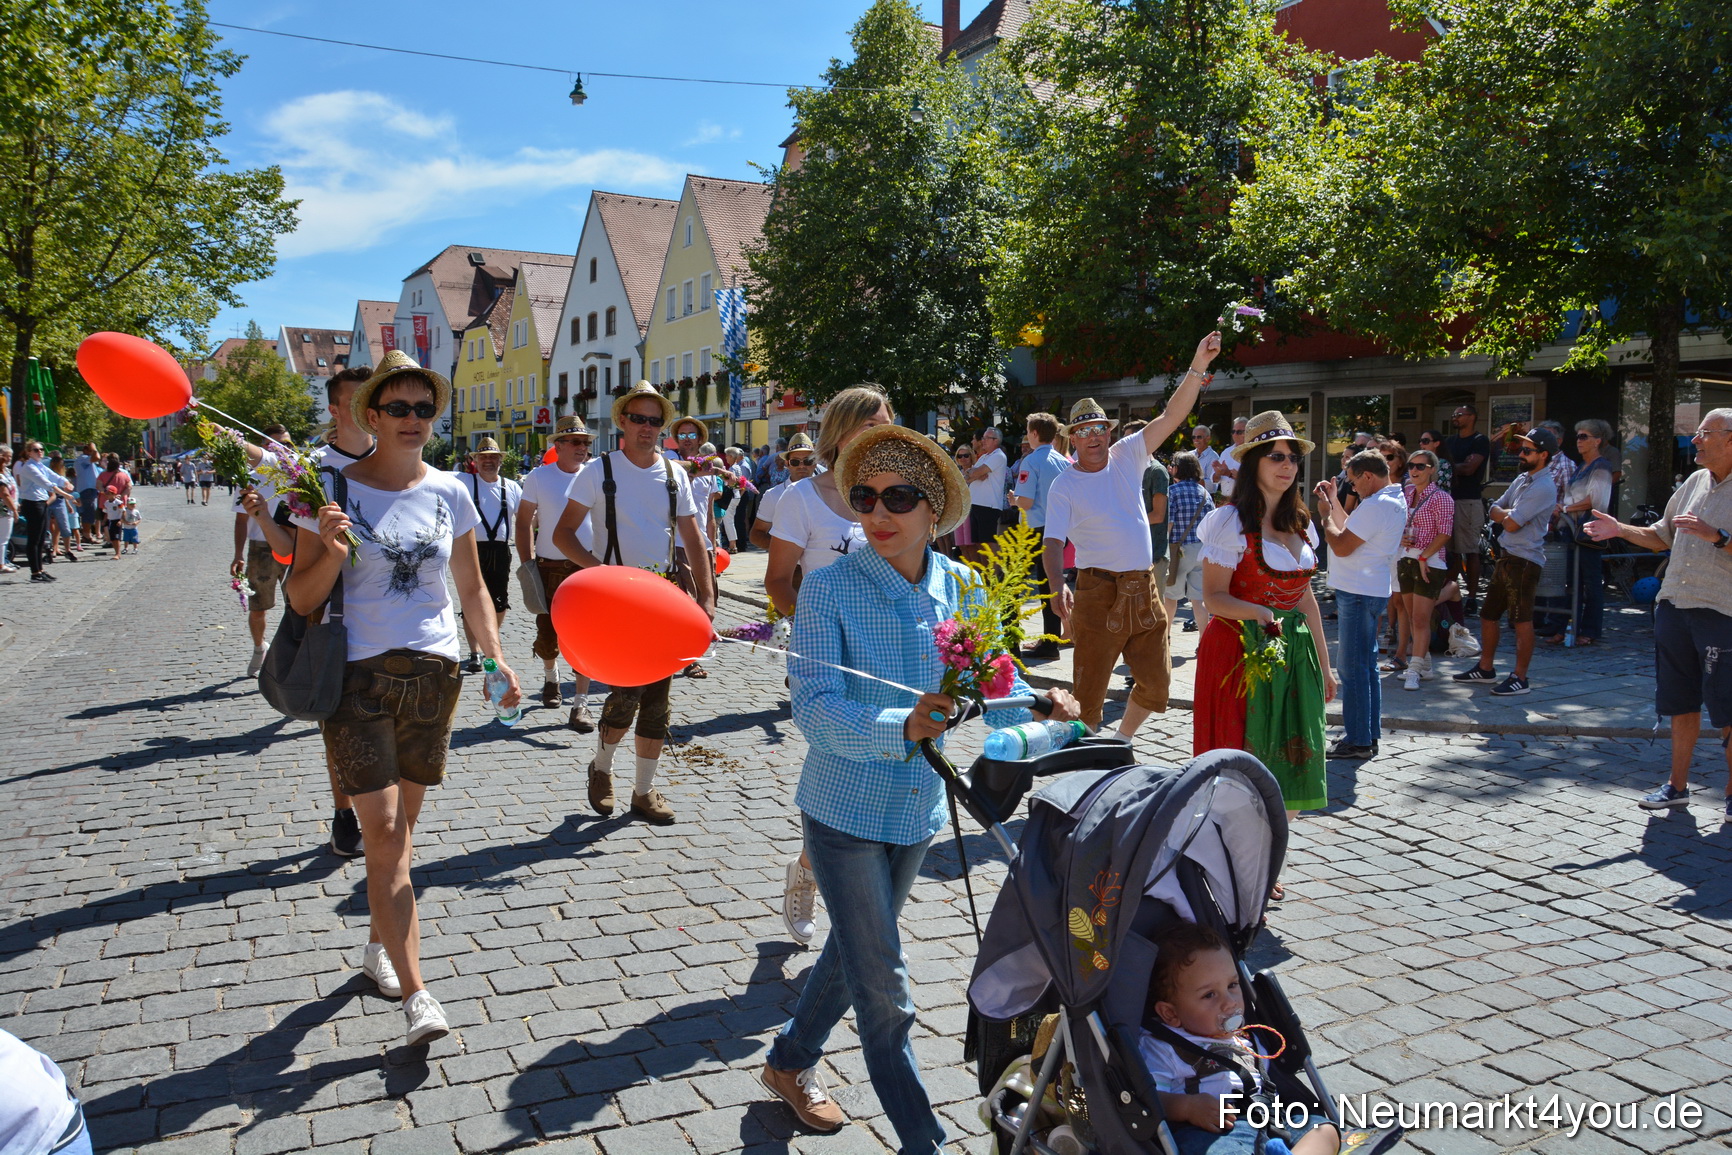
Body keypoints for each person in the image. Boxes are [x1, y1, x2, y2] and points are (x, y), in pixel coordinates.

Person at [757, 422, 1080, 1148]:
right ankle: (923, 1139)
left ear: (933, 507)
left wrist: (1042, 702)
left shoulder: (962, 584)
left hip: (918, 810)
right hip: (842, 811)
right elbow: (812, 703)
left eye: (898, 496)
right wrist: (904, 723)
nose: (878, 513)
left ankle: (786, 1061)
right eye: (864, 496)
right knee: (885, 988)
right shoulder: (830, 588)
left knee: (854, 952)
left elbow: (990, 676)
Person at [285, 349, 520, 1047]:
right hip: (356, 679)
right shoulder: (331, 491)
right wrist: (326, 548)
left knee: (402, 836)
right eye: (399, 408)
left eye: (424, 408)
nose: (414, 420)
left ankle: (378, 945)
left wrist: (496, 655)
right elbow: (300, 597)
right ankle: (418, 995)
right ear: (373, 415)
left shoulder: (450, 489)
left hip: (434, 678)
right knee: (383, 834)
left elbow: (472, 585)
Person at [1044, 332, 1222, 739]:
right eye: (1084, 431)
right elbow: (1053, 542)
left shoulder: (1128, 453)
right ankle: (1082, 759)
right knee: (1087, 698)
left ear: (1108, 432)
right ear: (1073, 438)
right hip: (1096, 592)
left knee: (1158, 686)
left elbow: (1171, 417)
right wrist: (1058, 587)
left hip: (1144, 588)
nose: (1094, 437)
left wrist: (1198, 366)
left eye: (1099, 429)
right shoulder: (1064, 485)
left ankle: (1122, 740)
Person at [555, 382, 715, 825]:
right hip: (619, 598)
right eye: (639, 419)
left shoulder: (674, 474)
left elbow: (692, 536)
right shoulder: (598, 470)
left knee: (659, 700)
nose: (647, 428)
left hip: (663, 596)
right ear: (622, 421)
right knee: (626, 693)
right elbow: (562, 535)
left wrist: (706, 595)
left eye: (654, 420)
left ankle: (643, 791)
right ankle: (602, 768)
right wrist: (601, 576)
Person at [765, 388, 887, 944]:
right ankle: (812, 876)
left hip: (887, 656)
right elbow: (776, 580)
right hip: (826, 661)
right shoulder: (802, 499)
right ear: (840, 435)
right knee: (838, 769)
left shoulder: (896, 495)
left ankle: (841, 879)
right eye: (869, 427)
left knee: (880, 771)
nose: (880, 436)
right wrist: (818, 636)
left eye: (887, 425)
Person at [1586, 408, 1732, 824]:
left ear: (1731, 439)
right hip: (1674, 606)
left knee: (1728, 709)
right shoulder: (1694, 482)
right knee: (1679, 702)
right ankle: (1677, 786)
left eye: (1705, 433)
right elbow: (1661, 536)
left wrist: (1717, 537)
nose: (1697, 440)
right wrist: (1620, 530)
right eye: (1698, 432)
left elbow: (1719, 539)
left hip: (1723, 612)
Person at [1193, 411, 1335, 820]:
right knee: (1240, 756)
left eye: (1292, 457)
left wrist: (1326, 668)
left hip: (1293, 655)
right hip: (1238, 652)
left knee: (1294, 757)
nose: (1287, 465)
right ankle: (1231, 861)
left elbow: (1307, 601)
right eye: (1276, 456)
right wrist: (1260, 613)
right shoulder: (1229, 523)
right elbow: (1214, 598)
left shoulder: (1301, 523)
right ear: (1252, 462)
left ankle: (1269, 862)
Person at [1137, 923, 1342, 1155]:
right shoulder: (1163, 1046)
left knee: (1323, 1129)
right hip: (1218, 1130)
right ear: (1171, 1014)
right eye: (1209, 995)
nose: (1230, 1002)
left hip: (1272, 1116)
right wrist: (1187, 1108)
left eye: (1233, 985)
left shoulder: (1246, 1035)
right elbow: (1150, 1100)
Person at [1451, 426, 1560, 697]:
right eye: (1520, 449)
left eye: (1527, 450)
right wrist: (1506, 514)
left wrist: (1506, 514)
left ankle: (1520, 678)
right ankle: (1485, 669)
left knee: (1521, 620)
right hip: (1507, 557)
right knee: (1488, 615)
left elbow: (1510, 523)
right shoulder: (1524, 479)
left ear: (1544, 454)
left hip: (1524, 561)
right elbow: (1494, 506)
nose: (1520, 453)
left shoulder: (1544, 486)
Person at [1315, 450, 1407, 759]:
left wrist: (1325, 515)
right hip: (1370, 588)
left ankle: (1358, 739)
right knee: (1366, 667)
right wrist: (1335, 503)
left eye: (1354, 481)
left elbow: (1340, 544)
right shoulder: (1389, 500)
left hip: (1357, 591)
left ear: (1368, 475)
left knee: (1352, 669)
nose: (1353, 488)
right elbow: (1352, 528)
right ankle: (1367, 734)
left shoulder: (1378, 505)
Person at [517, 418, 597, 729]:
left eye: (586, 443)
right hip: (549, 566)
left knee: (584, 637)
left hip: (587, 567)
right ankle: (551, 677)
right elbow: (523, 522)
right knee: (548, 636)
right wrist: (528, 564)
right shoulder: (539, 477)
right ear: (558, 446)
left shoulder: (595, 476)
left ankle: (580, 704)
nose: (582, 448)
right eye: (575, 442)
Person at [454, 437, 522, 676]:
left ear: (500, 460)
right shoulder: (463, 481)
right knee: (469, 600)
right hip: (471, 549)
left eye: (493, 457)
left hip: (500, 551)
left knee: (500, 601)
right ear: (475, 461)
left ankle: (488, 639)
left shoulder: (511, 487)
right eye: (483, 457)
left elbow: (526, 520)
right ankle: (475, 652)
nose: (488, 461)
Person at [1009, 411, 1071, 659]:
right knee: (1050, 586)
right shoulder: (1063, 462)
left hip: (1034, 530)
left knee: (1011, 585)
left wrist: (1014, 500)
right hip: (1058, 530)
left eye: (1028, 431)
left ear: (1034, 434)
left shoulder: (1031, 461)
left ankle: (1011, 643)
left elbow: (1026, 501)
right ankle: (1050, 642)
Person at [1551, 419, 1615, 646]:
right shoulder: (1581, 467)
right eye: (1577, 436)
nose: (1578, 441)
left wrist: (1566, 508)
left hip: (1588, 532)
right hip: (1570, 530)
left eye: (1584, 436)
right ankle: (1565, 627)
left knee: (1590, 582)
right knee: (1568, 582)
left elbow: (1596, 500)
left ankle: (1589, 630)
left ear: (1598, 441)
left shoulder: (1601, 466)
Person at [1394, 449, 1454, 691]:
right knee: (1411, 616)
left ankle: (1415, 669)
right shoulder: (1407, 492)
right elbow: (1399, 523)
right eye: (1411, 465)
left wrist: (1424, 555)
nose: (1414, 470)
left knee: (1420, 619)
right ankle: (1425, 665)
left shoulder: (1442, 498)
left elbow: (1445, 533)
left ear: (1432, 469)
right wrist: (1402, 539)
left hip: (1430, 563)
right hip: (1406, 558)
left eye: (1420, 466)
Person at [1443, 403, 1492, 613]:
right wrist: (1454, 467)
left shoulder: (1479, 441)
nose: (1455, 417)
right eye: (1454, 414)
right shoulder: (1450, 441)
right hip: (1448, 500)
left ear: (1471, 417)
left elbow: (1470, 468)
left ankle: (1472, 597)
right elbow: (1446, 466)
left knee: (1470, 550)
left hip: (1468, 501)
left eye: (1459, 414)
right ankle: (1450, 593)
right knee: (1450, 551)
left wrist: (1448, 467)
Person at [1162, 451, 1212, 631]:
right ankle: (1202, 641)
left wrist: (1163, 549)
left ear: (1178, 469)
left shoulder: (1172, 492)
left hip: (1179, 550)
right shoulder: (1205, 493)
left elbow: (1169, 523)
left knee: (1170, 597)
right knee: (1198, 599)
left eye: (1172, 464)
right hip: (1202, 549)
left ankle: (1165, 638)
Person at [15, 441, 74, 582]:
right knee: (34, 539)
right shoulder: (29, 467)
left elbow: (54, 476)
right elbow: (46, 483)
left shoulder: (40, 465)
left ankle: (40, 570)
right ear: (29, 452)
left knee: (41, 538)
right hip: (32, 504)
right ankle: (34, 572)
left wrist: (66, 482)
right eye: (36, 450)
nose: (40, 452)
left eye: (41, 449)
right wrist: (65, 494)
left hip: (41, 503)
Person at [749, 432, 815, 552]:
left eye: (807, 461)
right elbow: (756, 534)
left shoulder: (826, 491)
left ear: (815, 463)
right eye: (795, 462)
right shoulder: (773, 495)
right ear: (787, 464)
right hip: (792, 568)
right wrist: (786, 550)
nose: (801, 466)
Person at [964, 425, 1007, 558]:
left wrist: (975, 474)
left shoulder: (998, 456)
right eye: (983, 438)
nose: (983, 440)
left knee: (988, 542)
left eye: (986, 438)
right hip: (976, 504)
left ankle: (996, 575)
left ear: (995, 440)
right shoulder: (984, 457)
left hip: (989, 505)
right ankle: (986, 575)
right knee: (979, 543)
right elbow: (968, 476)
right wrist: (975, 474)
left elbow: (975, 473)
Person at [72, 443, 100, 545]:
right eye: (90, 450)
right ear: (86, 451)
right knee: (88, 512)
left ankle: (87, 534)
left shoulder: (86, 459)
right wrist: (94, 448)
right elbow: (97, 457)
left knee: (91, 513)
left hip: (90, 489)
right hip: (87, 489)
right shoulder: (83, 459)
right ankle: (87, 535)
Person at [0, 447, 17, 573]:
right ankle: (1, 564)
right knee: (3, 539)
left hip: (7, 508)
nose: (9, 459)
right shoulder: (1, 475)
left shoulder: (7, 472)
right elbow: (5, 494)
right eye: (7, 456)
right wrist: (14, 510)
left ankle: (4, 561)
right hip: (4, 510)